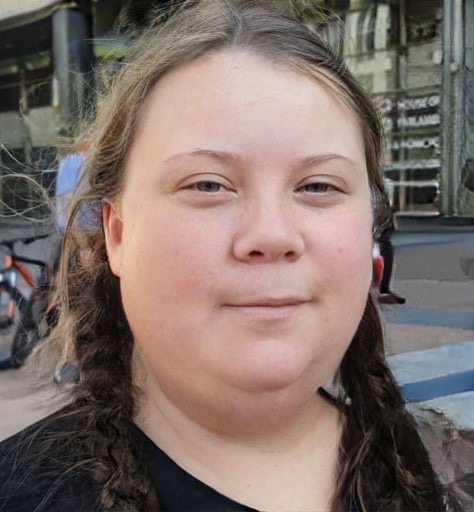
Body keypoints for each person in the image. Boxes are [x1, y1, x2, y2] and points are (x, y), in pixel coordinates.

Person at [0, 1, 447, 511]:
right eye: (208, 185)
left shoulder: (402, 457)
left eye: (318, 186)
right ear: (117, 233)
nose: (272, 234)